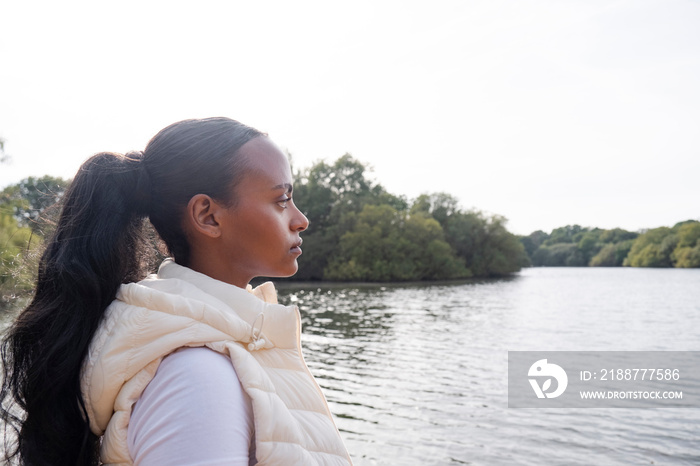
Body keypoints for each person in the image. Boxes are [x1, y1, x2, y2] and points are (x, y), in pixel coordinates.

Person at [0, 117, 353, 465]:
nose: (300, 218)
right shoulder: (197, 378)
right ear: (208, 216)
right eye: (281, 200)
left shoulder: (223, 341)